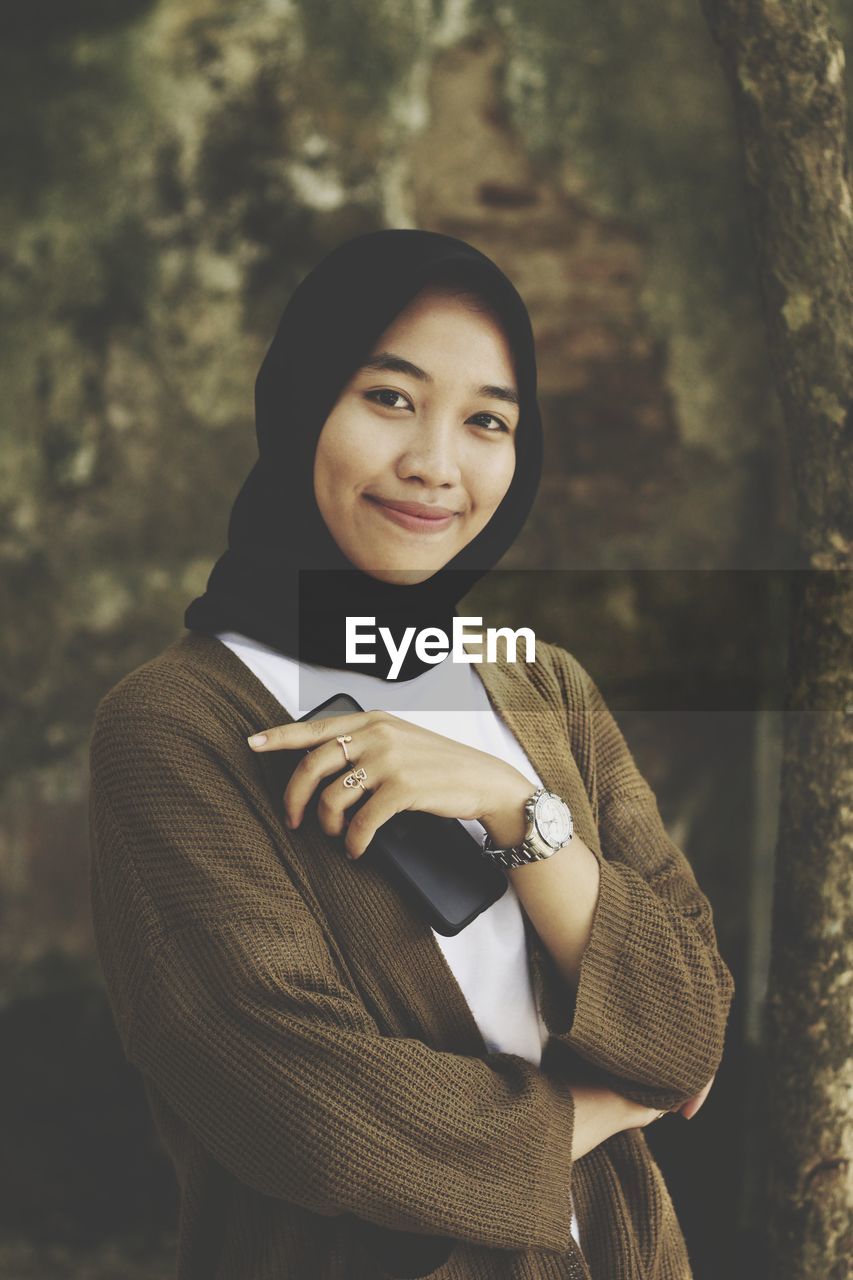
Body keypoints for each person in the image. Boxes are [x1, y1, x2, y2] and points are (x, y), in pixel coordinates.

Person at [88, 229, 735, 1280]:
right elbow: (307, 1112)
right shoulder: (175, 724)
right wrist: (596, 1107)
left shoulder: (543, 688)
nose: (436, 463)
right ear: (302, 403)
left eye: (487, 419)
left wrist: (515, 809)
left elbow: (689, 1023)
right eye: (389, 398)